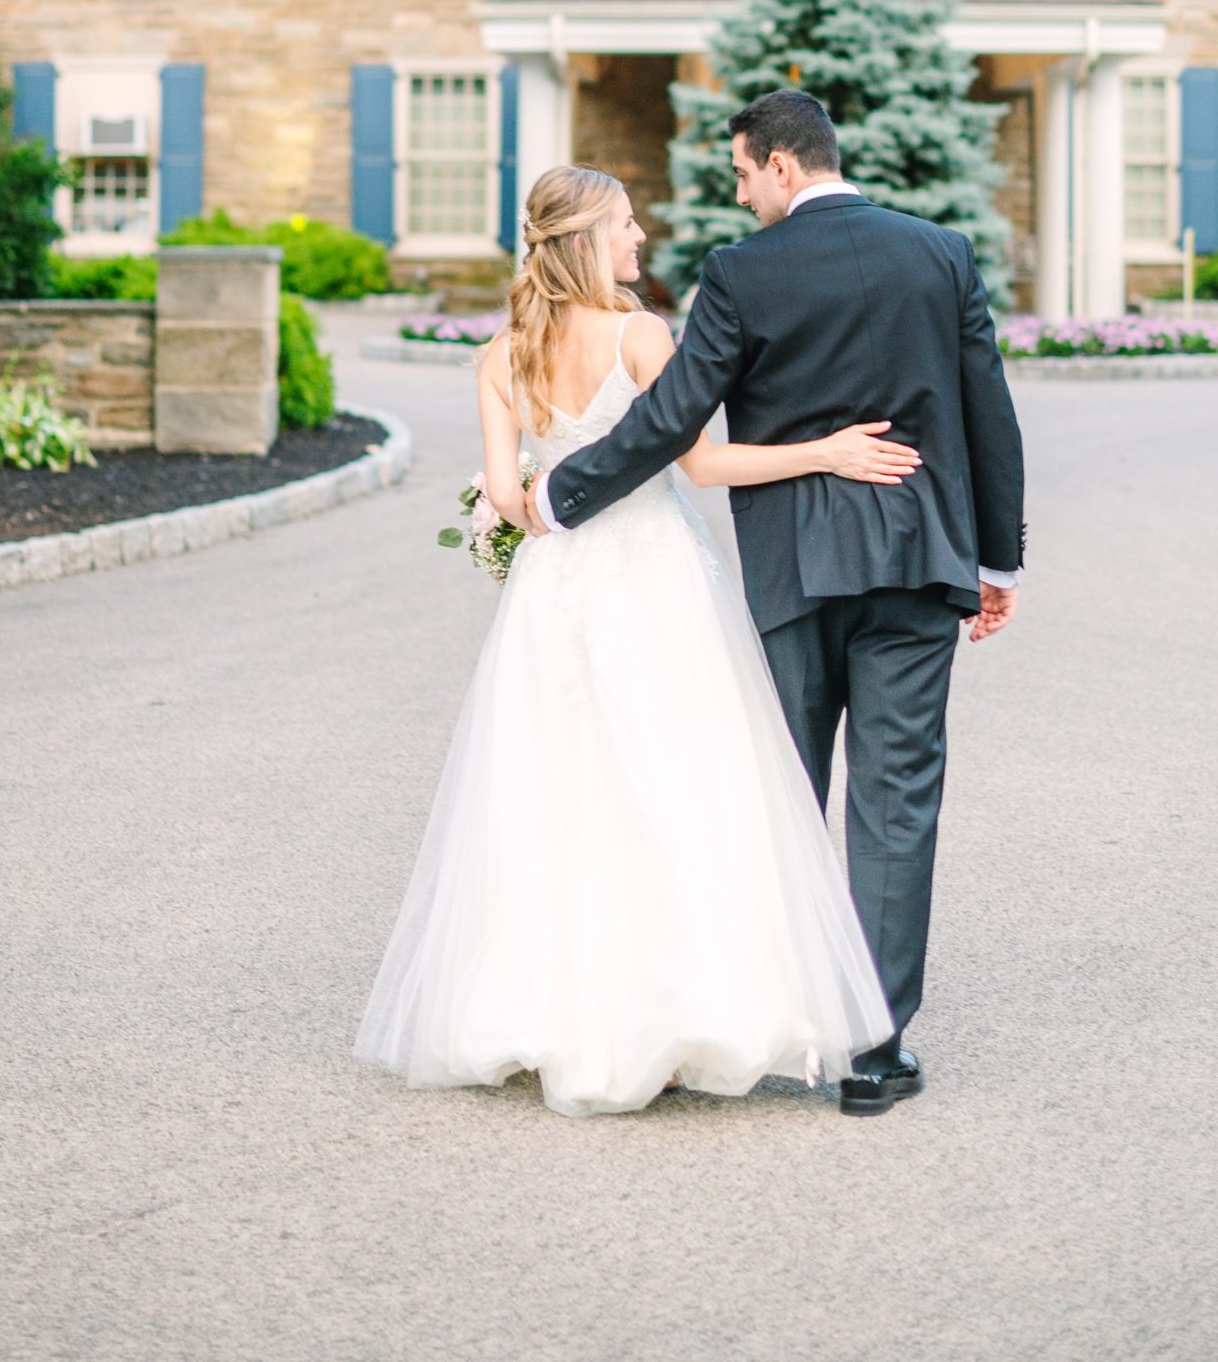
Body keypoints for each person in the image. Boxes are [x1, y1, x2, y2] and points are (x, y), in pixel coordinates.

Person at [354, 160, 917, 1119]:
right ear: (584, 239)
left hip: (553, 590)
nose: (638, 237)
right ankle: (687, 1010)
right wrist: (827, 453)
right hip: (652, 576)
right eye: (622, 224)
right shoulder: (641, 334)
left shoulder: (502, 355)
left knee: (554, 790)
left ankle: (544, 1011)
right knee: (675, 782)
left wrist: (540, 509)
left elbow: (506, 498)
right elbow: (701, 464)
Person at [516, 89, 1025, 1117]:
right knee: (896, 798)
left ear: (783, 166)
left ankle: (769, 1018)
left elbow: (671, 415)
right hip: (920, 561)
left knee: (776, 796)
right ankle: (873, 1052)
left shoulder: (744, 272)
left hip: (794, 572)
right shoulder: (940, 252)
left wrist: (561, 493)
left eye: (743, 170)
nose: (739, 190)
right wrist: (995, 562)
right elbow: (987, 411)